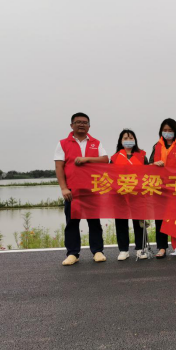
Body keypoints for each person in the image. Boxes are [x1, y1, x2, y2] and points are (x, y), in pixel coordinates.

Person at [54, 113, 109, 266]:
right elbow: (59, 167)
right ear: (71, 125)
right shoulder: (63, 143)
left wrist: (86, 159)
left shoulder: (96, 143)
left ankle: (97, 251)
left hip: (92, 190)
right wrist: (64, 188)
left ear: (89, 126)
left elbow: (105, 159)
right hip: (72, 190)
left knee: (94, 221)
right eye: (78, 122)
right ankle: (73, 253)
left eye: (85, 122)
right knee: (72, 222)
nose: (81, 125)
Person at [150, 119, 176, 259]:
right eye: (165, 130)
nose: (167, 133)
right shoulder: (156, 146)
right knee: (160, 218)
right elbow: (149, 165)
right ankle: (162, 247)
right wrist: (155, 164)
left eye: (170, 130)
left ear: (175, 131)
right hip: (160, 188)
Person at [111, 129, 148, 261]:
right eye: (125, 138)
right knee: (121, 222)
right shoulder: (114, 158)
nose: (128, 140)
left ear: (135, 140)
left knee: (139, 222)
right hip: (120, 194)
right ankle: (123, 250)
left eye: (131, 138)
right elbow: (110, 175)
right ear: (120, 141)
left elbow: (148, 174)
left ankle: (140, 248)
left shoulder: (142, 156)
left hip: (137, 194)